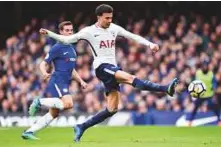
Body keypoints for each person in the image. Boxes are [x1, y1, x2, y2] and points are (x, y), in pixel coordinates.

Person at [39, 4, 178, 142]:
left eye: (111, 17)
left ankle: (81, 126)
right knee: (130, 78)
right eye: (107, 18)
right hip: (101, 67)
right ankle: (165, 89)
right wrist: (49, 33)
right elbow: (66, 39)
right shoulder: (89, 31)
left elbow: (132, 36)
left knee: (112, 109)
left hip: (112, 67)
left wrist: (150, 44)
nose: (109, 20)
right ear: (99, 17)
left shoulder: (114, 28)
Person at [22, 21, 87, 140]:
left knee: (54, 113)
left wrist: (81, 81)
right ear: (61, 32)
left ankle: (29, 132)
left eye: (71, 30)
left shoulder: (71, 48)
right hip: (58, 80)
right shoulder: (57, 47)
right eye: (67, 30)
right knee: (69, 104)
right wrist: (44, 72)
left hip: (65, 81)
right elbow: (43, 63)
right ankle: (39, 102)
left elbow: (71, 69)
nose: (70, 32)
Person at [188, 59, 221, 127]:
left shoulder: (211, 74)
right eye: (204, 66)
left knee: (215, 107)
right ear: (202, 66)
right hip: (200, 95)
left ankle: (219, 121)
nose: (205, 67)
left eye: (206, 66)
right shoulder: (198, 73)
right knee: (195, 107)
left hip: (209, 94)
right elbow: (194, 82)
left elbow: (214, 83)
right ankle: (190, 121)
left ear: (208, 66)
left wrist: (214, 88)